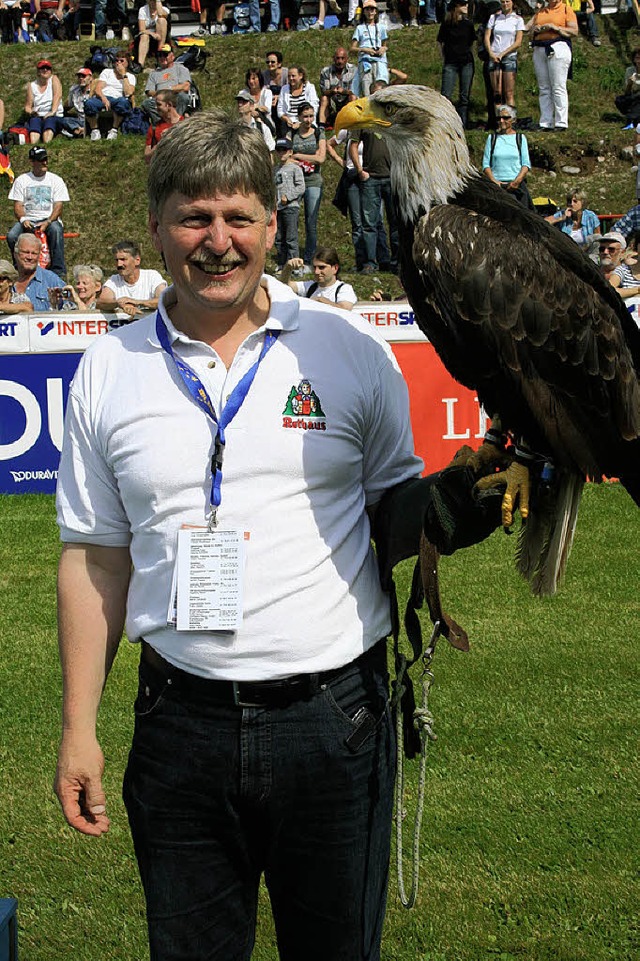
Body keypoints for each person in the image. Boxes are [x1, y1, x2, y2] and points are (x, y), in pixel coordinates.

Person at [53, 110, 424, 961]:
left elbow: (399, 522)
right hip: (179, 722)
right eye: (193, 217)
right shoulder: (107, 367)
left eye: (238, 218)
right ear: (155, 227)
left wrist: (458, 504)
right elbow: (95, 557)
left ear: (270, 223)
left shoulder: (349, 352)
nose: (216, 242)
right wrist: (80, 725)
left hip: (337, 722)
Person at [349, 80, 398, 275]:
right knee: (369, 223)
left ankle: (396, 262)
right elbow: (353, 145)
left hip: (393, 178)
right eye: (376, 94)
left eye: (383, 93)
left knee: (395, 222)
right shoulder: (363, 117)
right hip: (371, 178)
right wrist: (360, 170)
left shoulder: (394, 117)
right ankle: (371, 262)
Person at [7, 145, 70, 278]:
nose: (45, 163)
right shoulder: (22, 180)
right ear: (32, 162)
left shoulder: (56, 180)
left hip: (49, 219)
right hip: (28, 219)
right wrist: (24, 219)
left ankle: (58, 271)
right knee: (12, 236)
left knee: (56, 230)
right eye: (41, 160)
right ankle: (18, 266)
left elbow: (58, 206)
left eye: (46, 159)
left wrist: (48, 221)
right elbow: (18, 205)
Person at [528, 0, 578, 131]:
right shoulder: (541, 11)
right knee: (544, 87)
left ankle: (561, 122)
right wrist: (535, 29)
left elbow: (574, 30)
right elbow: (529, 32)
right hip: (539, 47)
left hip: (558, 45)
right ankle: (546, 122)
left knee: (558, 86)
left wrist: (555, 27)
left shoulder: (566, 9)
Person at [291, 101, 326, 271]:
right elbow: (286, 156)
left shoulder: (319, 132)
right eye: (305, 116)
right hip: (295, 181)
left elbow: (321, 158)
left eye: (311, 116)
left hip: (313, 181)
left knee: (311, 221)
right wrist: (300, 158)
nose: (308, 119)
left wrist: (298, 156)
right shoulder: (293, 133)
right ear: (299, 116)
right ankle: (293, 256)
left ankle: (310, 257)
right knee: (292, 219)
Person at [97, 239, 166, 317]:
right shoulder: (113, 280)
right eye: (116, 260)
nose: (119, 264)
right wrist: (119, 303)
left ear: (137, 260)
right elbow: (101, 302)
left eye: (123, 259)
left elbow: (164, 300)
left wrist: (136, 302)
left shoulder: (152, 276)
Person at [481, 105, 533, 209]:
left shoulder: (520, 138)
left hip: (516, 186)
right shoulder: (492, 138)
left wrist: (517, 181)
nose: (501, 121)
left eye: (506, 118)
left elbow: (526, 164)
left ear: (513, 120)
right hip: (496, 187)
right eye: (499, 118)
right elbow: (486, 164)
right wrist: (494, 181)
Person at [437, 0, 476, 130]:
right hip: (450, 63)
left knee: (464, 96)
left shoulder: (468, 24)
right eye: (463, 4)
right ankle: (444, 123)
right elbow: (440, 42)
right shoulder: (447, 24)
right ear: (456, 7)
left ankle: (463, 123)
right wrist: (444, 58)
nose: (466, 6)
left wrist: (470, 55)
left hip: (466, 62)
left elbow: (472, 42)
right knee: (446, 95)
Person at [282, 246, 357, 309]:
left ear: (335, 268)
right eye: (314, 267)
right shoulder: (310, 286)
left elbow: (345, 311)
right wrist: (288, 268)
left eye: (321, 267)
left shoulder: (344, 289)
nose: (316, 272)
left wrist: (320, 301)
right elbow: (283, 285)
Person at [85, 51, 136, 142]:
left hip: (118, 98)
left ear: (127, 63)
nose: (118, 63)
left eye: (122, 61)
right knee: (89, 103)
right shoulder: (107, 72)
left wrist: (123, 75)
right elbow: (98, 88)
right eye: (116, 61)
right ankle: (95, 130)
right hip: (103, 96)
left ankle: (114, 130)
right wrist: (103, 98)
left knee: (123, 103)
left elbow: (129, 93)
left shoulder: (130, 77)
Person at [484, 0, 524, 109]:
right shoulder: (494, 18)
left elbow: (518, 42)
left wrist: (503, 53)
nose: (505, 4)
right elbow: (487, 36)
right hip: (494, 55)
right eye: (503, 2)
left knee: (509, 93)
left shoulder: (518, 20)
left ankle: (510, 120)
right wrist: (491, 53)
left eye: (507, 1)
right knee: (497, 92)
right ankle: (499, 122)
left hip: (509, 56)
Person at [10, 232, 63, 311]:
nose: (30, 257)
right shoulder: (5, 279)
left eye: (34, 253)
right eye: (26, 252)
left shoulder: (51, 280)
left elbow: (71, 308)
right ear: (15, 254)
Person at [274, 136, 305, 268]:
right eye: (279, 150)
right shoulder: (274, 170)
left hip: (291, 207)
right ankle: (282, 263)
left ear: (290, 152)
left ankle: (294, 266)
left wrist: (289, 196)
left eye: (284, 150)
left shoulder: (295, 168)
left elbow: (301, 187)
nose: (282, 153)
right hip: (277, 208)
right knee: (279, 238)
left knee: (291, 238)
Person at [142, 44, 191, 124]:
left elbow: (185, 86)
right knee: (147, 103)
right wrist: (160, 94)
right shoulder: (154, 73)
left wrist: (168, 89)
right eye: (159, 55)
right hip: (159, 98)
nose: (162, 57)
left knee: (183, 97)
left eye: (165, 55)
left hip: (175, 96)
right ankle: (161, 123)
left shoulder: (181, 69)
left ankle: (176, 122)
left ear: (172, 56)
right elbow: (149, 91)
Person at [351, 0, 389, 98]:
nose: (370, 12)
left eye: (372, 9)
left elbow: (385, 44)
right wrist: (365, 49)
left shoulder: (381, 27)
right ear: (364, 12)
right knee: (366, 90)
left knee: (380, 88)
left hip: (379, 61)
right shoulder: (360, 28)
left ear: (376, 11)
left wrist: (383, 49)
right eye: (367, 10)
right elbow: (353, 48)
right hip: (365, 62)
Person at [24, 59, 63, 145]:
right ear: (38, 71)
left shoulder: (54, 79)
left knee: (47, 135)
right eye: (42, 68)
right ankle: (34, 146)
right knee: (34, 134)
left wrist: (52, 111)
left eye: (47, 68)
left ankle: (47, 146)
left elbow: (58, 95)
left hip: (52, 115)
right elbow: (27, 106)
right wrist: (31, 112)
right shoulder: (32, 85)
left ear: (51, 71)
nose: (45, 70)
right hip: (38, 115)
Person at [318, 47, 357, 128]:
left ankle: (350, 125)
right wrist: (332, 91)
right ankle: (321, 126)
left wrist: (344, 92)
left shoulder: (354, 70)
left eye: (342, 58)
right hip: (332, 101)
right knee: (324, 98)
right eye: (337, 58)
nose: (340, 61)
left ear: (347, 59)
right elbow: (323, 91)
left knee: (353, 97)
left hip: (347, 100)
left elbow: (356, 91)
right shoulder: (325, 71)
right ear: (333, 59)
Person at [277, 65, 319, 135]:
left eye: (293, 76)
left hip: (306, 121)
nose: (291, 78)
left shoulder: (310, 88)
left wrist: (300, 122)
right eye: (289, 76)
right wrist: (286, 119)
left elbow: (314, 108)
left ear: (300, 76)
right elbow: (280, 109)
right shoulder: (284, 89)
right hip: (290, 122)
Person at [598, 231, 640, 299]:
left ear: (622, 252)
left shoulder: (624, 270)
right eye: (601, 249)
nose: (605, 252)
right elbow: (609, 290)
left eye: (611, 249)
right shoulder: (591, 273)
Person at [144, 90, 183, 163]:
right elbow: (147, 158)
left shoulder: (186, 124)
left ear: (169, 105)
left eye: (159, 104)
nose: (156, 108)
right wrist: (161, 143)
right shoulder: (154, 127)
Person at [59, 66, 94, 139]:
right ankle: (79, 131)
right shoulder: (74, 90)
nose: (81, 78)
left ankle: (78, 131)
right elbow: (69, 105)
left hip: (92, 119)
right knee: (63, 120)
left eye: (84, 76)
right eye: (79, 76)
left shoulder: (95, 90)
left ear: (90, 78)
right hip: (79, 120)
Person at [136, 0, 169, 70]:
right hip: (148, 34)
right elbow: (142, 29)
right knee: (144, 36)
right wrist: (152, 34)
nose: (152, 2)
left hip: (161, 36)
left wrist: (158, 3)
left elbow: (161, 15)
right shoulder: (143, 10)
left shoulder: (165, 9)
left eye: (154, 1)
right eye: (151, 0)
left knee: (162, 20)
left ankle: (160, 55)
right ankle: (140, 64)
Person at [238, 68, 274, 132]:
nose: (251, 81)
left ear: (260, 79)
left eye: (254, 78)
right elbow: (240, 108)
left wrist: (255, 107)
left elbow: (267, 109)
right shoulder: (243, 93)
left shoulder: (267, 92)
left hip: (265, 122)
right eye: (249, 79)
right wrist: (251, 111)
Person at [262, 50, 288, 129]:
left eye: (272, 62)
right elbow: (264, 90)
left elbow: (289, 90)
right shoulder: (264, 75)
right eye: (268, 62)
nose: (270, 64)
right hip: (271, 100)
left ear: (279, 63)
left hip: (284, 99)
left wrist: (279, 97)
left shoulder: (286, 73)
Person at [615, 48, 640, 128]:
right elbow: (627, 93)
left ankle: (632, 120)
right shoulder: (630, 71)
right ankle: (633, 118)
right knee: (620, 100)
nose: (639, 61)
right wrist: (630, 84)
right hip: (634, 97)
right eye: (637, 58)